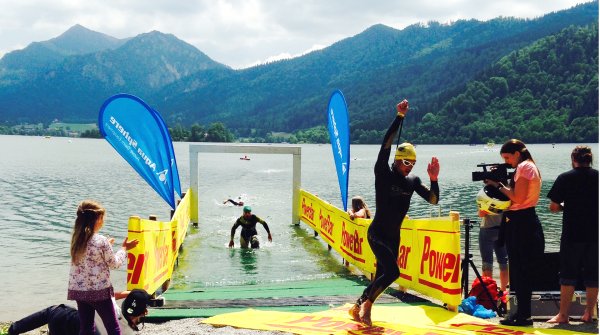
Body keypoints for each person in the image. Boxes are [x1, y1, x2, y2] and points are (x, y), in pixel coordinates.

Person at [349, 99, 440, 326]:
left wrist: (434, 179)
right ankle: (367, 307)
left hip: (393, 237)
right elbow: (385, 144)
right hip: (377, 233)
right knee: (393, 273)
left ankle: (357, 306)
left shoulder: (413, 180)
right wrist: (399, 117)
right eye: (406, 161)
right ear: (397, 159)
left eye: (413, 163)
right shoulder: (383, 173)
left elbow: (433, 200)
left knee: (383, 276)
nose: (409, 166)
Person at [485, 139, 544, 326]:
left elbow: (517, 197)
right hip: (521, 221)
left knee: (521, 270)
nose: (507, 161)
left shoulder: (525, 167)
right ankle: (521, 313)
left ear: (517, 154)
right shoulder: (528, 166)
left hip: (523, 223)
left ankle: (524, 315)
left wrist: (497, 185)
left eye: (508, 157)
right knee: (518, 270)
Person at [67, 200, 139, 335]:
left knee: (86, 328)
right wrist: (124, 248)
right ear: (96, 219)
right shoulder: (101, 241)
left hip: (79, 291)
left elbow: (88, 260)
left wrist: (108, 246)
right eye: (102, 218)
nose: (103, 221)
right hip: (99, 292)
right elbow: (115, 263)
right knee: (113, 327)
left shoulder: (77, 239)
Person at [546, 145, 598, 324]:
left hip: (572, 234)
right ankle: (589, 314)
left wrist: (564, 207)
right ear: (589, 159)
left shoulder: (565, 178)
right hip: (595, 234)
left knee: (568, 275)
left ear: (573, 159)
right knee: (593, 275)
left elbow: (553, 207)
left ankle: (563, 315)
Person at [8, 289, 153, 335]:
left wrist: (127, 293)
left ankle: (12, 330)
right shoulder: (126, 331)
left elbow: (110, 294)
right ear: (144, 312)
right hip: (74, 328)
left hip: (63, 318)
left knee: (50, 312)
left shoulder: (111, 308)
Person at [475, 186, 510, 291]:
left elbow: (481, 214)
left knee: (487, 262)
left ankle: (488, 292)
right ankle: (503, 291)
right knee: (504, 262)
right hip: (502, 230)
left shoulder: (487, 193)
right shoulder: (507, 192)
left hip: (487, 229)